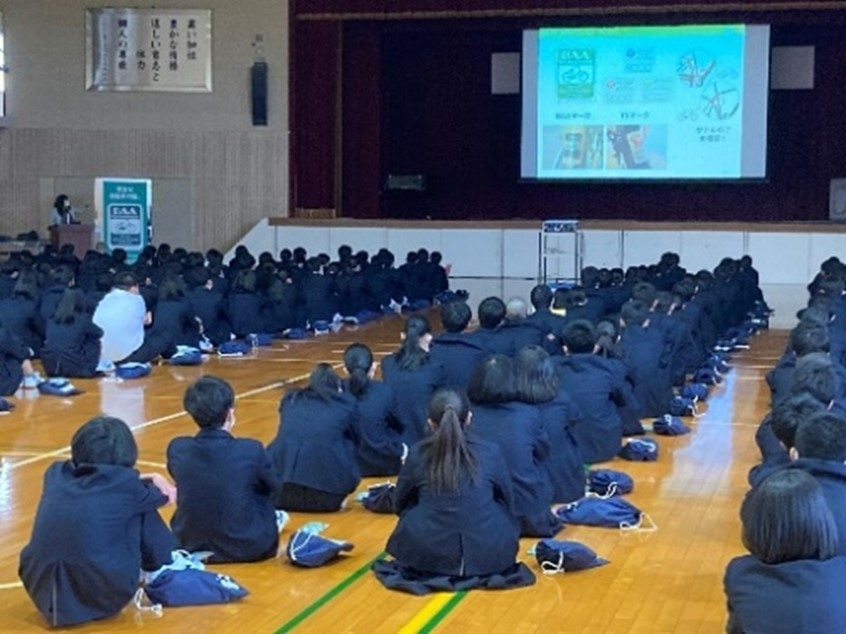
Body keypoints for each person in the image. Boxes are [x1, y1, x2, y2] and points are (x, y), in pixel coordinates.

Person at [19, 416, 176, 627]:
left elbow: (103, 485)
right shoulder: (129, 488)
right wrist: (156, 477)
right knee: (142, 511)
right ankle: (160, 568)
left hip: (42, 590)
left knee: (124, 508)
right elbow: (166, 496)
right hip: (102, 596)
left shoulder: (54, 474)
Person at [373, 389, 534, 593]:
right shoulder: (490, 451)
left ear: (430, 423)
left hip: (425, 554)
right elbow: (508, 500)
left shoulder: (418, 453)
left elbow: (400, 502)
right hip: (488, 554)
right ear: (469, 418)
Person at [167, 376, 280, 563]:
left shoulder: (178, 448)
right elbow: (275, 487)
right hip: (248, 546)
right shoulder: (250, 449)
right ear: (229, 414)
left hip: (190, 543)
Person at [724, 469, 846, 633]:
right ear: (822, 522)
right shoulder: (841, 570)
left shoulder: (740, 573)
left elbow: (736, 628)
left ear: (757, 525)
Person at [467, 354, 561, 537]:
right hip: (528, 513)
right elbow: (543, 452)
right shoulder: (528, 413)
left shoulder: (467, 416)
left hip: (483, 512)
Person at [266, 363, 360, 512]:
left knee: (285, 442)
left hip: (280, 495)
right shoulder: (346, 404)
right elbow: (357, 438)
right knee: (346, 445)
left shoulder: (290, 400)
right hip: (328, 499)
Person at [514, 345, 586, 504]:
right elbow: (576, 422)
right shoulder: (562, 399)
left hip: (530, 491)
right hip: (566, 484)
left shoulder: (511, 408)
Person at [381, 315, 446, 445]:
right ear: (428, 337)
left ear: (402, 336)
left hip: (395, 438)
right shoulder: (435, 367)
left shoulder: (387, 363)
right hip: (426, 438)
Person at [343, 343, 406, 476]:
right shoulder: (385, 392)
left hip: (349, 464)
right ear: (373, 367)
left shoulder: (337, 393)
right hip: (384, 463)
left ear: (345, 370)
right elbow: (401, 424)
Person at [41, 288, 103, 378]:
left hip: (51, 365)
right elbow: (99, 333)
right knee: (93, 340)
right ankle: (88, 369)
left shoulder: (52, 319)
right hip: (74, 365)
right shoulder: (82, 319)